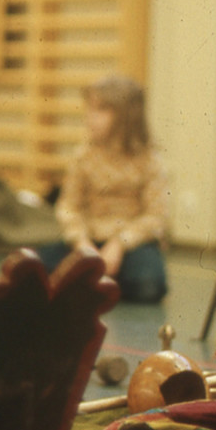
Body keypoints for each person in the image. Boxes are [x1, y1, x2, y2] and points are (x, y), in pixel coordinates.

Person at [36, 74, 169, 304]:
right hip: (89, 240)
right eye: (89, 109)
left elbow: (156, 216)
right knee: (37, 266)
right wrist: (81, 243)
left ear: (126, 117)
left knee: (148, 284)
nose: (90, 118)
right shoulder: (84, 156)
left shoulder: (150, 161)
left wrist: (119, 244)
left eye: (100, 111)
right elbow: (69, 206)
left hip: (130, 246)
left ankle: (93, 282)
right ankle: (98, 280)